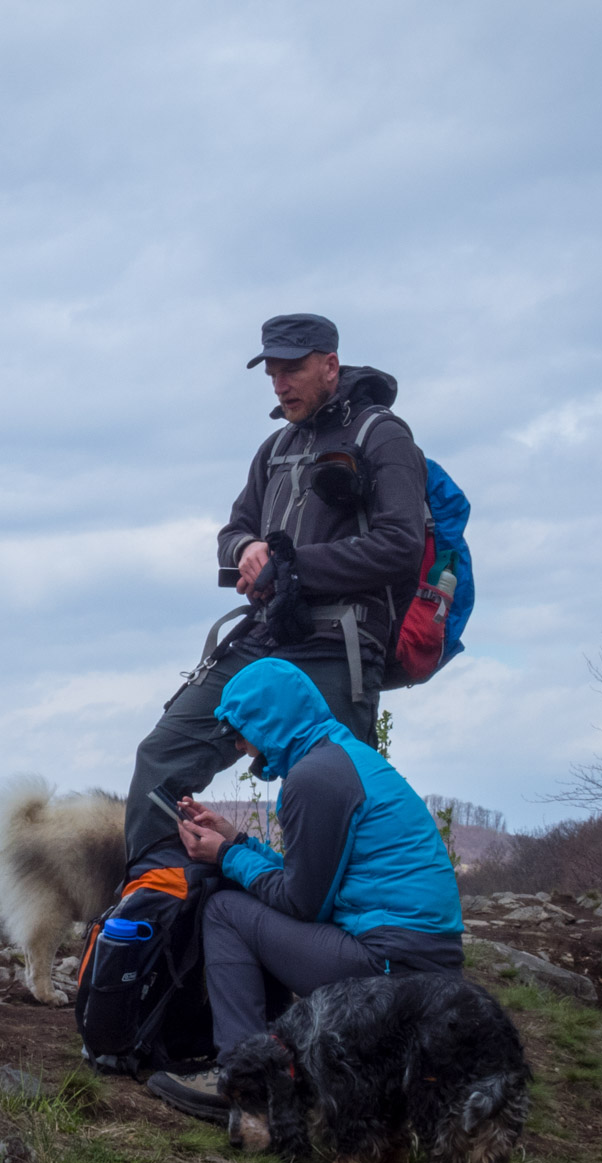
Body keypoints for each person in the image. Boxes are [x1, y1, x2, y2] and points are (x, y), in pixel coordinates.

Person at [122, 314, 427, 880]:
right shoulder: (275, 448)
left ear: (330, 366)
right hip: (263, 639)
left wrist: (293, 565)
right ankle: (156, 910)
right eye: (273, 372)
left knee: (329, 790)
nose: (281, 383)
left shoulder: (383, 436)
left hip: (339, 642)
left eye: (293, 370)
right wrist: (248, 550)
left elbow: (402, 546)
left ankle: (335, 946)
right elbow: (232, 530)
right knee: (161, 757)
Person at [143, 658, 465, 1121]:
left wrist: (224, 857)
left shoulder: (314, 778)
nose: (237, 744)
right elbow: (314, 880)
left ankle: (242, 1079)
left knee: (225, 909)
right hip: (424, 968)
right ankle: (283, 1059)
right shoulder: (341, 758)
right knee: (251, 898)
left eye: (239, 729)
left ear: (269, 720)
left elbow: (302, 903)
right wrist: (236, 841)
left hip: (389, 973)